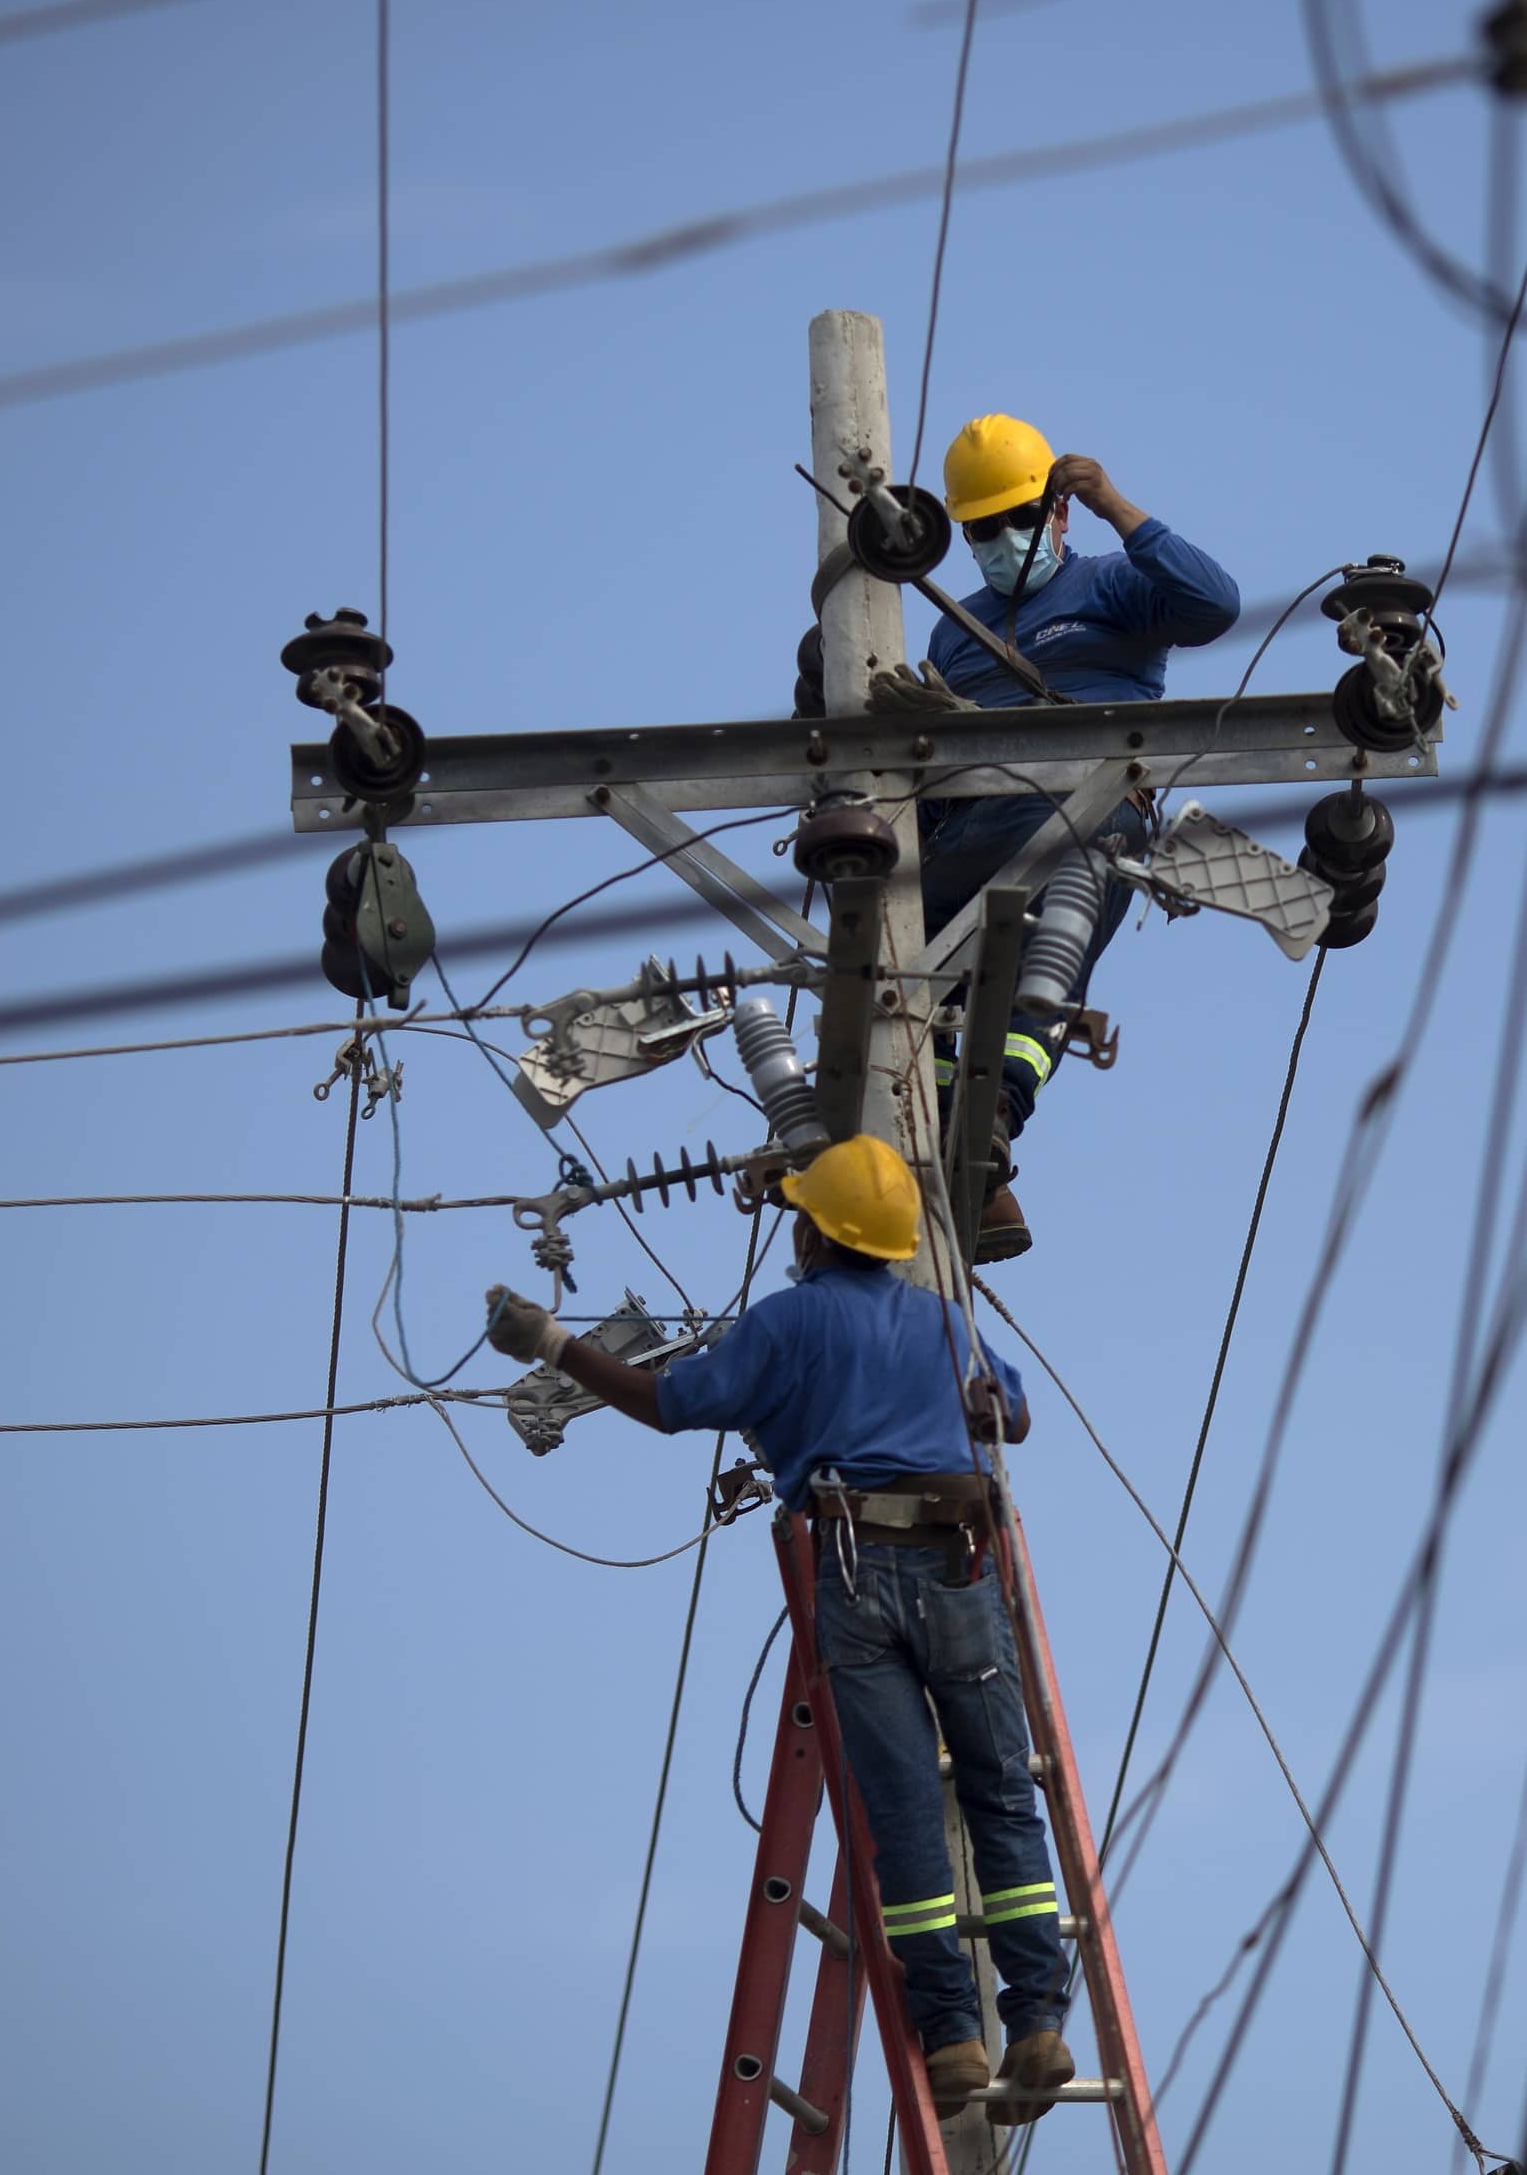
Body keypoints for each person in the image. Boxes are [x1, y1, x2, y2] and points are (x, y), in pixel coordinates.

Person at [481, 1134, 1076, 2127]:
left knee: (903, 1816)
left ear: (810, 1229)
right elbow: (1010, 1413)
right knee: (1000, 1793)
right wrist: (970, 1403)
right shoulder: (942, 1321)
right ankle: (1041, 2022)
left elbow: (669, 1402)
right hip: (958, 1561)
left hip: (853, 1567)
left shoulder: (787, 1322)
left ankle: (954, 2040)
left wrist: (548, 1340)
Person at [916, 413, 1244, 1262]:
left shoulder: (1107, 585)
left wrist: (1111, 502)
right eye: (979, 528)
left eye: (1016, 519)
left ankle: (993, 1118)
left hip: (1090, 807)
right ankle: (935, 1151)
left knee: (1066, 897)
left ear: (1055, 513)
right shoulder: (955, 629)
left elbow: (1215, 605)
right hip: (974, 827)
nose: (998, 540)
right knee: (893, 961)